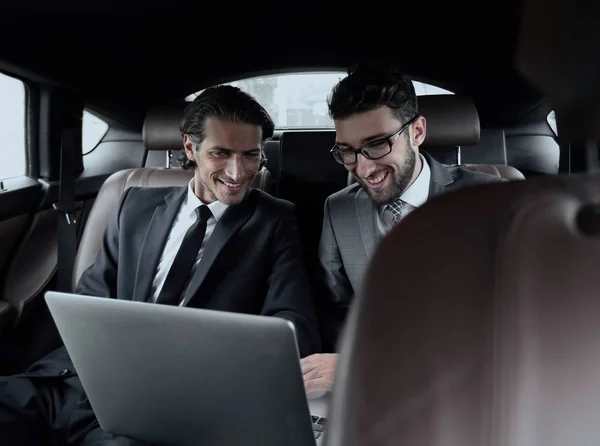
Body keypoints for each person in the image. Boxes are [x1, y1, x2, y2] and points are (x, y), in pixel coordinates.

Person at [0, 85, 321, 445]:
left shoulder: (274, 220)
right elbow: (91, 298)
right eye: (221, 153)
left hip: (169, 399)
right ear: (190, 148)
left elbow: (295, 322)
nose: (237, 171)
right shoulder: (133, 203)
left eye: (251, 155)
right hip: (79, 380)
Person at [301, 63, 504, 392]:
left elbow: (501, 319)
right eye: (347, 152)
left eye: (378, 143)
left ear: (417, 132)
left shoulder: (487, 200)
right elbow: (334, 310)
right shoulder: (337, 209)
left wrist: (368, 362)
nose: (363, 169)